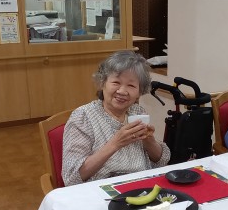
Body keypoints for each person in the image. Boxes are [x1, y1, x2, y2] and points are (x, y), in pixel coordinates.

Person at [62, 51, 170, 186]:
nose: (122, 91)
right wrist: (115, 143)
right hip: (102, 189)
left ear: (139, 92)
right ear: (102, 83)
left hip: (141, 185)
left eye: (131, 85)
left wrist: (148, 140)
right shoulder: (83, 117)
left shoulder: (137, 112)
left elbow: (162, 160)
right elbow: (71, 177)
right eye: (116, 82)